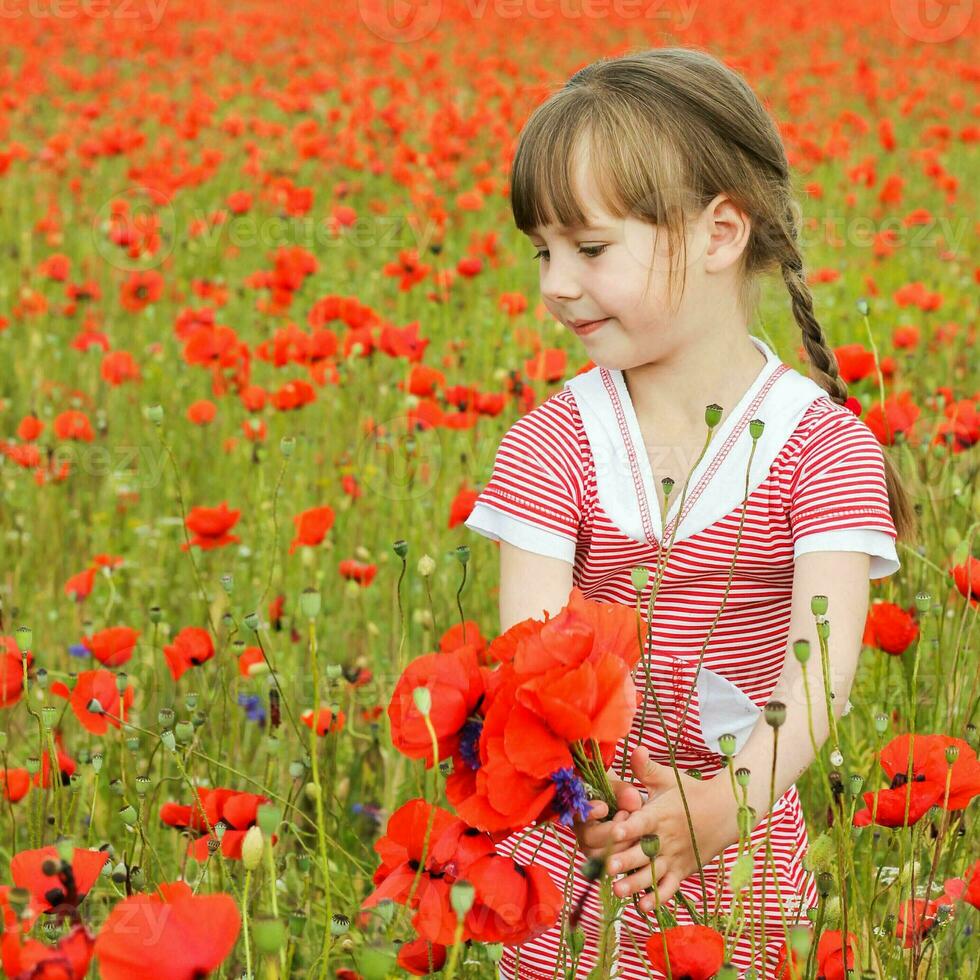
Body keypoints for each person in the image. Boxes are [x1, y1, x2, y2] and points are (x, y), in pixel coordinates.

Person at [463, 47, 918, 979]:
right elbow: (532, 667)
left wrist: (727, 806)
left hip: (742, 845)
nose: (554, 282)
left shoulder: (825, 449)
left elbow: (822, 676)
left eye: (589, 249)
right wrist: (592, 803)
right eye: (542, 251)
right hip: (583, 842)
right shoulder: (552, 445)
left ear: (720, 233)